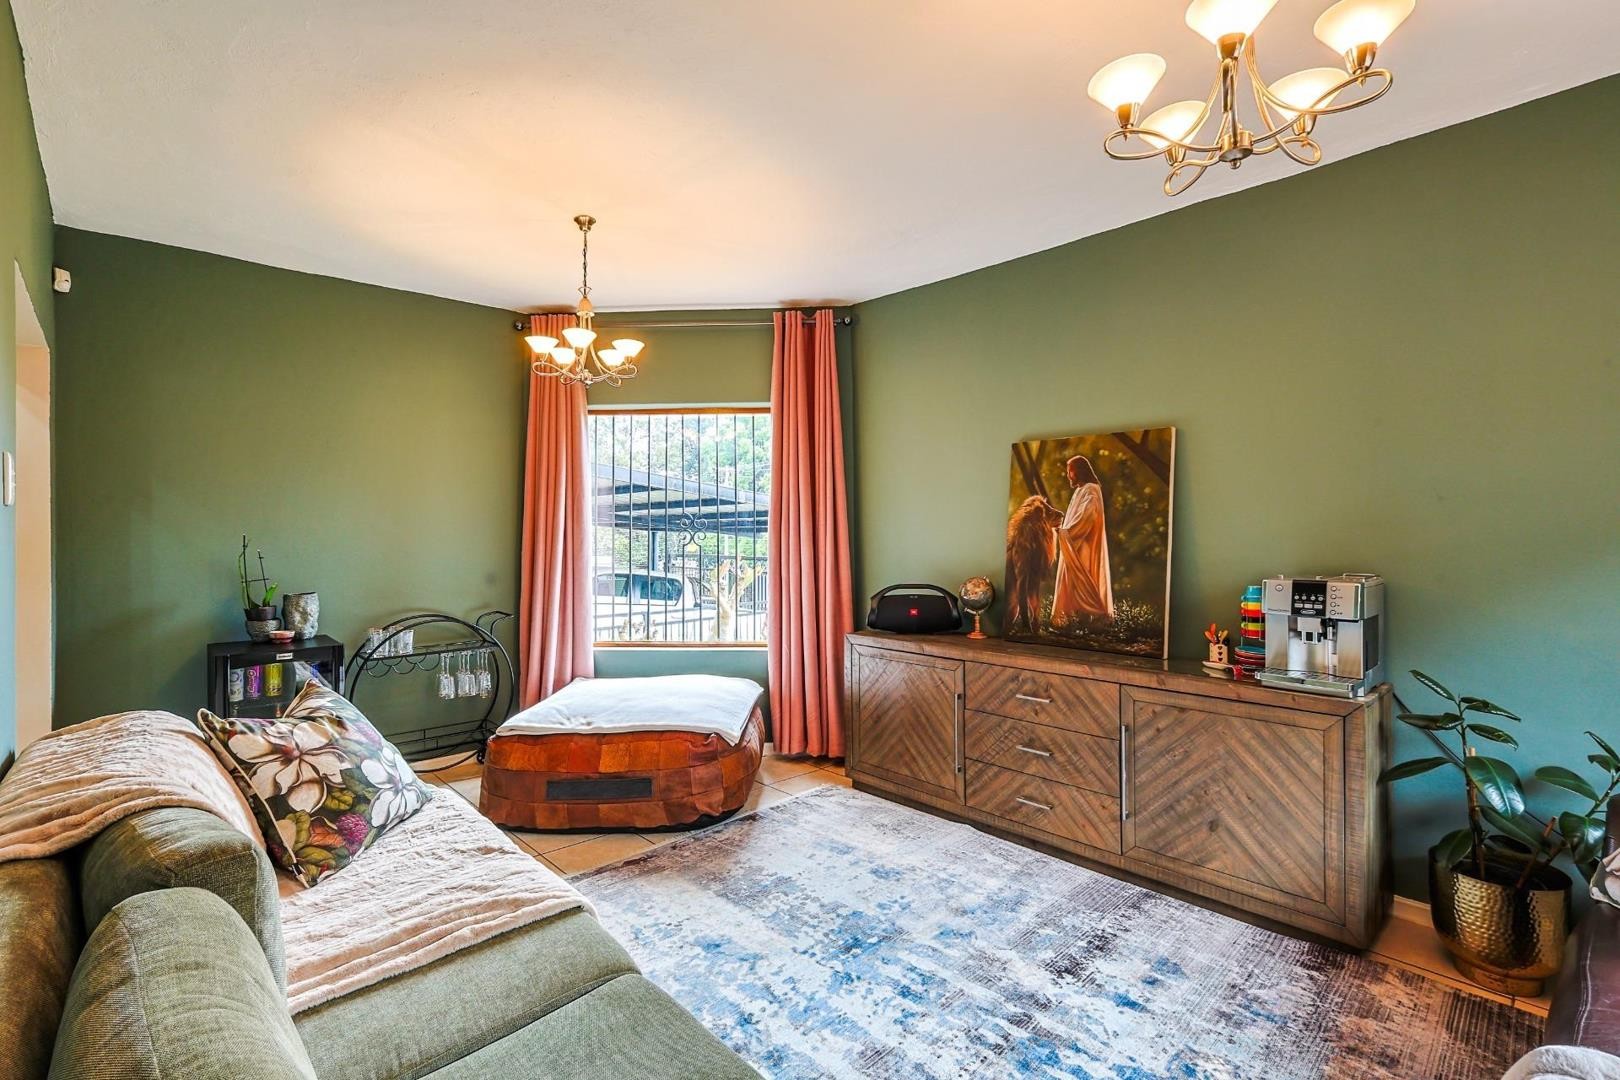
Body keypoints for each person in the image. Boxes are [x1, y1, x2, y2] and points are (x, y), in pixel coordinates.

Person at [1051, 455, 1115, 626]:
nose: (1068, 475)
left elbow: (1088, 516)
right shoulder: (1080, 490)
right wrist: (1065, 532)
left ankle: (1089, 620)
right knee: (1073, 583)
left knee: (1081, 582)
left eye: (1070, 471)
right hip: (1073, 545)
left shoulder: (1091, 489)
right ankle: (1073, 622)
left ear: (1078, 471)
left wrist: (1066, 532)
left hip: (1083, 545)